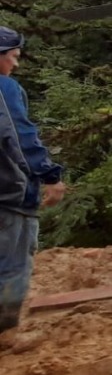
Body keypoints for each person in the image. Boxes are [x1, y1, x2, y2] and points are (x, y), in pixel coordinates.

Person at [0, 27, 67, 334]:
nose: (16, 65)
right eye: (13, 57)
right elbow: (19, 136)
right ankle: (5, 332)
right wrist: (50, 175)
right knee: (13, 266)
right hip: (9, 197)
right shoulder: (4, 89)